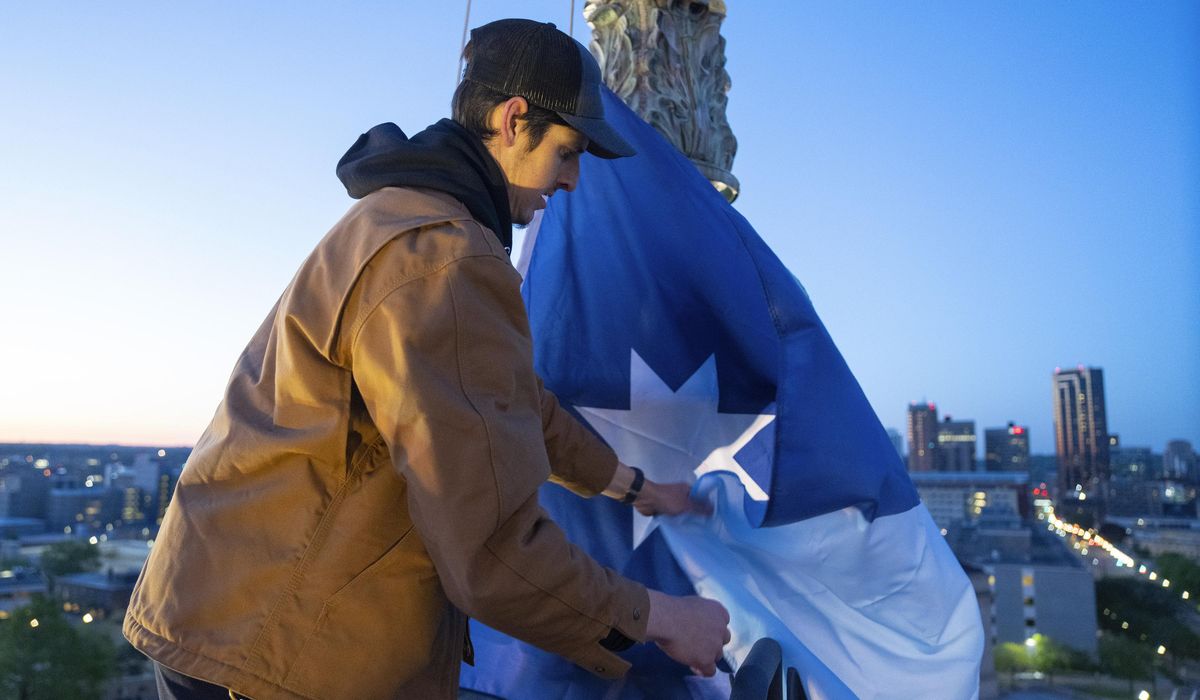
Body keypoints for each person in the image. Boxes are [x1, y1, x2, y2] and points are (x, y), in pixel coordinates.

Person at [124, 18, 731, 700]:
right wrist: (663, 616)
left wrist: (635, 487)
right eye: (568, 151)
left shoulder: (403, 218)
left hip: (228, 617)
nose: (572, 180)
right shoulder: (447, 261)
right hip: (278, 652)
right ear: (512, 119)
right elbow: (492, 552)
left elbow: (514, 402)